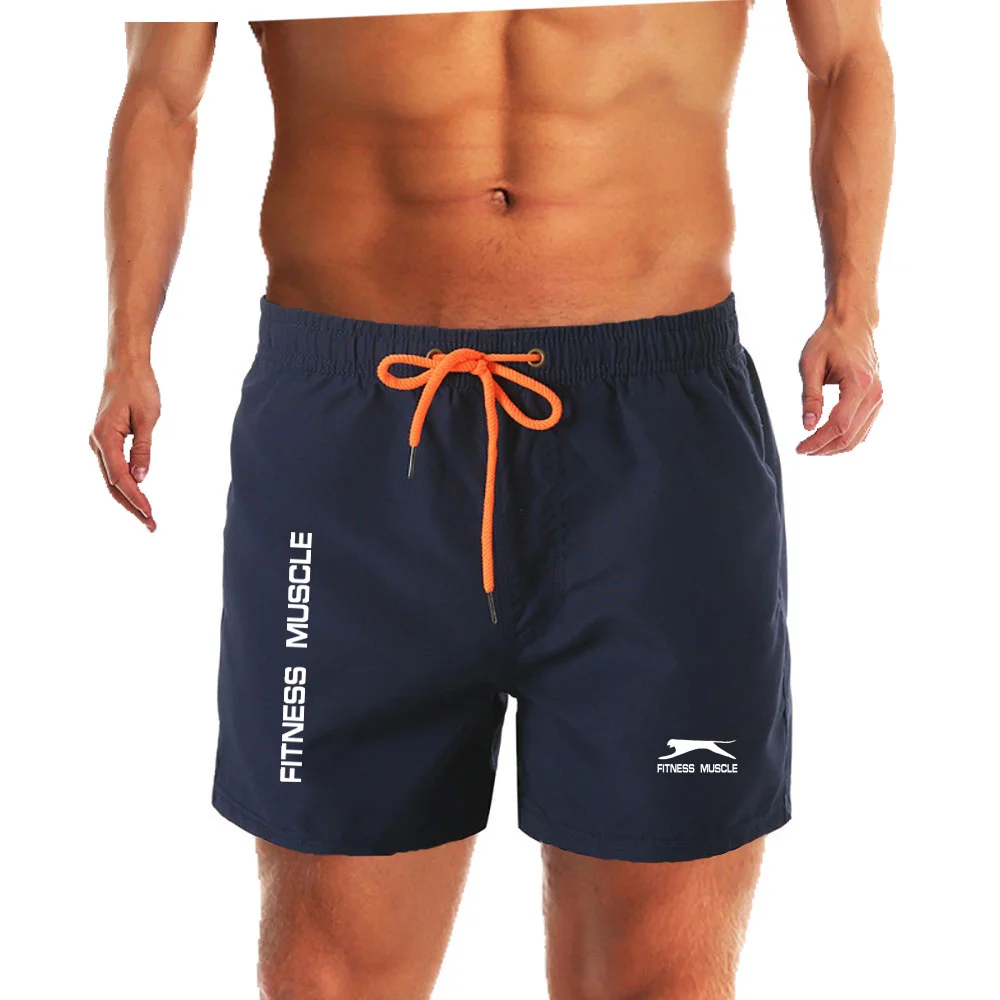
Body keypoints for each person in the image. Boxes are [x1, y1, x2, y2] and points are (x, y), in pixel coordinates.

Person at [89, 3, 893, 997]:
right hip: (357, 431)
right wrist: (128, 344)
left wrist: (853, 308)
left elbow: (847, 57)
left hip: (653, 432)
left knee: (659, 978)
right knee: (329, 975)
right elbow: (162, 93)